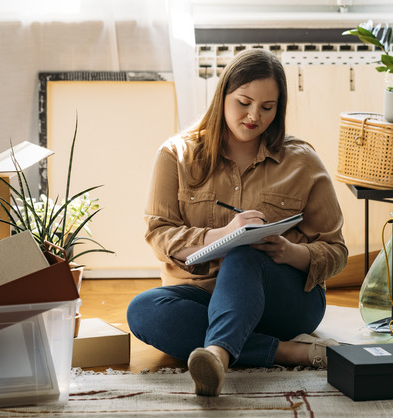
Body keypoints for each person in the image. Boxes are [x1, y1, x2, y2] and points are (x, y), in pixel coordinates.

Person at [127, 48, 348, 397]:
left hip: (284, 301)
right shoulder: (175, 155)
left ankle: (217, 354)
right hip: (203, 296)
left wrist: (290, 252)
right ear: (223, 96)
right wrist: (223, 234)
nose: (253, 116)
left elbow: (335, 250)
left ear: (279, 108)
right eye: (244, 102)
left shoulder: (302, 161)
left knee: (244, 256)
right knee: (142, 311)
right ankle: (288, 352)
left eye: (267, 107)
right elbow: (158, 233)